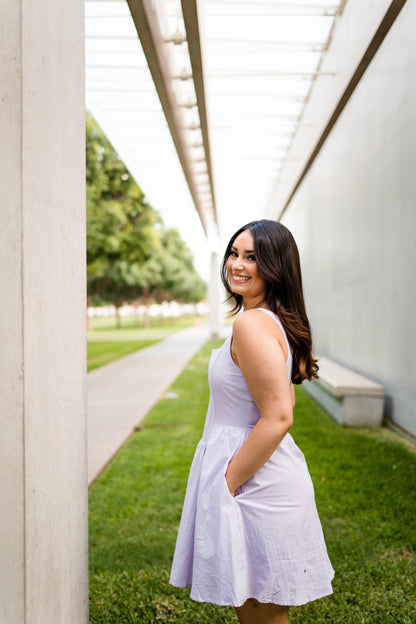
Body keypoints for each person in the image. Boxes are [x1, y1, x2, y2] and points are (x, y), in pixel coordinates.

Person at [170, 220, 334, 624]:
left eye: (252, 257)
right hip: (257, 479)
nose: (237, 265)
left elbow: (279, 416)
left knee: (262, 614)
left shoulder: (251, 324)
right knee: (258, 613)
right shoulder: (268, 320)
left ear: (276, 266)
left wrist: (225, 485)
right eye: (234, 253)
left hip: (254, 486)